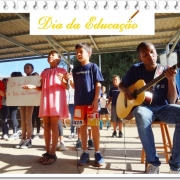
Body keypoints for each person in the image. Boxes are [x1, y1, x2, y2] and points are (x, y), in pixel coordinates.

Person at [118, 41, 180, 174]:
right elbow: (121, 85)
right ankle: (153, 164)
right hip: (145, 109)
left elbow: (171, 100)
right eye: (145, 54)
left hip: (163, 107)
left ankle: (175, 165)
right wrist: (126, 91)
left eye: (152, 52)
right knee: (139, 112)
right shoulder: (135, 69)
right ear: (140, 58)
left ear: (156, 53)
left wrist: (171, 80)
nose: (150, 56)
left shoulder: (165, 71)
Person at [22, 50, 69, 165]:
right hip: (46, 100)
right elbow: (41, 87)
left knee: (54, 125)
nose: (50, 57)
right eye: (49, 55)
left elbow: (67, 86)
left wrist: (63, 79)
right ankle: (47, 152)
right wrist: (32, 86)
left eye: (53, 55)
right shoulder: (44, 72)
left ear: (59, 59)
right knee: (46, 126)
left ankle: (53, 153)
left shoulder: (63, 71)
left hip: (56, 101)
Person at [68, 42, 105, 166]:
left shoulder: (93, 67)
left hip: (91, 104)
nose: (78, 54)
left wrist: (96, 99)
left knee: (95, 128)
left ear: (88, 53)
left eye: (81, 52)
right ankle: (85, 152)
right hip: (79, 104)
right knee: (82, 128)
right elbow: (74, 85)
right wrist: (68, 80)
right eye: (76, 52)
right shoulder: (75, 70)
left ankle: (97, 152)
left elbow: (98, 84)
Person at [15, 64, 35, 149]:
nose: (26, 69)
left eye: (28, 67)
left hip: (30, 100)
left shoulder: (35, 78)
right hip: (22, 100)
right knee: (22, 119)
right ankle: (23, 138)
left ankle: (29, 139)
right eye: (25, 68)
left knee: (28, 119)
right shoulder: (21, 79)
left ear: (32, 69)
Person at [31, 72, 41, 140]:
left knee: (38, 119)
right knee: (31, 118)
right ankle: (31, 132)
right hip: (31, 103)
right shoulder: (30, 84)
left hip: (38, 103)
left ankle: (38, 132)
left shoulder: (40, 83)